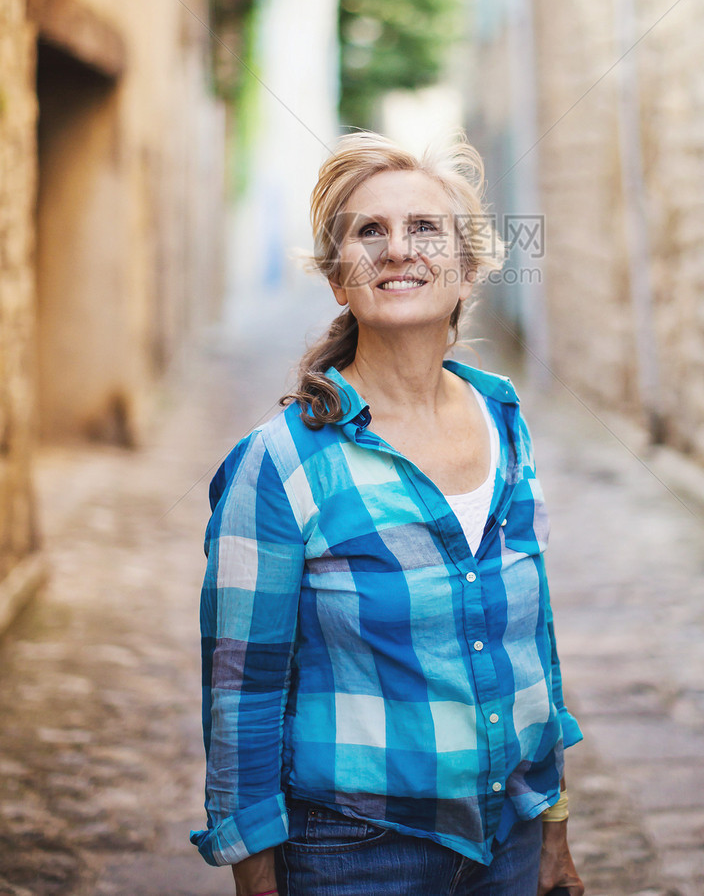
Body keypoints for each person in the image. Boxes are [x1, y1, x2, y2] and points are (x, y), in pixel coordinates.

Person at [191, 130, 585, 896]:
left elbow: (531, 642)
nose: (398, 250)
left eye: (425, 229)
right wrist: (257, 877)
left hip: (510, 837)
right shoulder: (281, 464)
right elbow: (242, 686)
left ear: (468, 268)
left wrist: (554, 822)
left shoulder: (505, 421)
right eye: (369, 232)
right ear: (341, 280)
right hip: (355, 852)